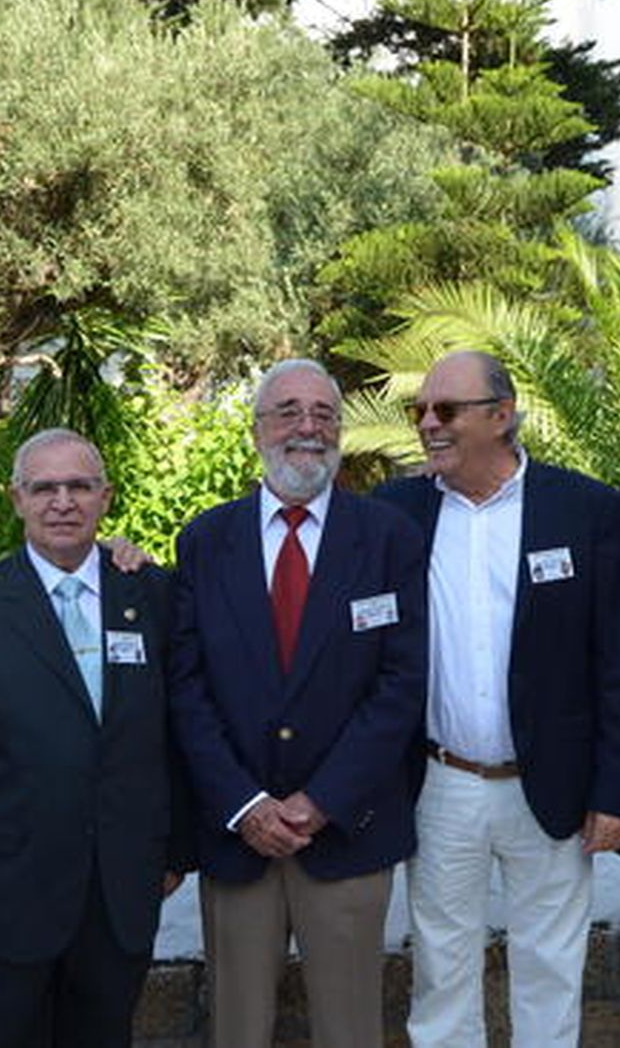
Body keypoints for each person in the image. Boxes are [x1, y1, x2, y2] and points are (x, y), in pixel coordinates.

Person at [374, 350, 620, 1048]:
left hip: (550, 784)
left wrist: (617, 792)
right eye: (421, 411)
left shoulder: (584, 509)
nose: (428, 424)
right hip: (438, 783)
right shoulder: (392, 513)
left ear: (502, 414)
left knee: (551, 970)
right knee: (440, 972)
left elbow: (618, 660)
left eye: (446, 409)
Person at [169, 358, 427, 1048]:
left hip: (346, 830)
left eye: (323, 414)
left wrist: (322, 799)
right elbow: (185, 687)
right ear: (257, 430)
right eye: (288, 411)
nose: (307, 428)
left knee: (351, 1030)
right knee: (238, 1030)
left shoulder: (388, 538)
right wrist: (244, 804)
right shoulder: (203, 541)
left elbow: (401, 684)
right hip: (237, 836)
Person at [0, 428, 190, 1047]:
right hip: (6, 895)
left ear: (105, 497)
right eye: (44, 488)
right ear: (17, 499)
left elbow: (176, 731)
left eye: (79, 486)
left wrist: (176, 850)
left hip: (121, 888)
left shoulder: (152, 594)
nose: (61, 501)